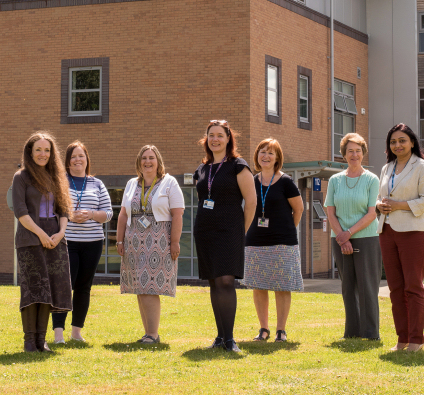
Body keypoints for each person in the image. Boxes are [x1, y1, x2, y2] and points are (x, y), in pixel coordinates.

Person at [193, 120, 257, 352]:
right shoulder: (202, 169)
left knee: (226, 281)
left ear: (228, 138)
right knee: (213, 281)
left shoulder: (238, 165)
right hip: (205, 231)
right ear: (206, 139)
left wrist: (242, 230)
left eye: (220, 135)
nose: (215, 139)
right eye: (211, 135)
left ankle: (230, 340)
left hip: (229, 230)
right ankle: (220, 337)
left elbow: (251, 202)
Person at [376, 124, 424, 352]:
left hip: (413, 232)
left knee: (413, 286)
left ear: (412, 142)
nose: (397, 145)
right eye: (393, 142)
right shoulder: (387, 168)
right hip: (387, 231)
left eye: (402, 140)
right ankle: (402, 339)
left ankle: (416, 340)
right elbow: (381, 198)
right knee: (395, 288)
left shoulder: (423, 167)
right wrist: (379, 205)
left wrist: (399, 205)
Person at [11, 132, 73, 353]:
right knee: (33, 290)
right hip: (30, 239)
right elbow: (21, 212)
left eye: (47, 150)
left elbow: (64, 209)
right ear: (30, 152)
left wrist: (60, 233)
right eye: (38, 149)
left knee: (48, 291)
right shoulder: (21, 177)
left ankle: (41, 340)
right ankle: (30, 341)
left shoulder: (57, 176)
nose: (43, 154)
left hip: (55, 240)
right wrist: (41, 234)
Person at [117, 145, 185, 344]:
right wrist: (119, 240)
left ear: (158, 161)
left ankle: (153, 334)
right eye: (144, 158)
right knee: (140, 287)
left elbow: (178, 214)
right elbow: (122, 214)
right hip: (134, 242)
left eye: (151, 158)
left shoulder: (169, 182)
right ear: (139, 162)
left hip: (159, 240)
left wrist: (174, 242)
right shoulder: (131, 184)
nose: (147, 161)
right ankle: (148, 333)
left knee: (150, 287)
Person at [243, 138, 304, 343]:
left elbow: (299, 209)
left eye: (270, 153)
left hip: (283, 242)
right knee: (259, 286)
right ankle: (263, 329)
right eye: (262, 152)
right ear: (257, 156)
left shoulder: (286, 181)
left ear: (277, 158)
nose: (265, 156)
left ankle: (281, 330)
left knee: (282, 286)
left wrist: (286, 229)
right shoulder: (251, 181)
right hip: (255, 241)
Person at [52, 141, 113, 344]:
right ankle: (58, 334)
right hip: (67, 241)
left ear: (87, 159)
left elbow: (109, 213)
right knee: (64, 286)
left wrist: (91, 214)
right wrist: (69, 216)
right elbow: (53, 210)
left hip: (92, 242)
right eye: (74, 157)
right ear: (67, 162)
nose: (78, 160)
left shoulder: (97, 184)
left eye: (81, 156)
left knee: (84, 287)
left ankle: (76, 333)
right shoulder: (60, 182)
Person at [325, 132, 382, 340]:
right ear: (344, 155)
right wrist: (342, 236)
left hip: (366, 237)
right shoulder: (335, 180)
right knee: (348, 286)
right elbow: (330, 211)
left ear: (363, 153)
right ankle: (352, 333)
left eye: (358, 151)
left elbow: (371, 213)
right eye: (350, 151)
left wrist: (348, 233)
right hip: (339, 238)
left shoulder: (371, 179)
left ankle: (370, 333)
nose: (354, 155)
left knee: (367, 286)